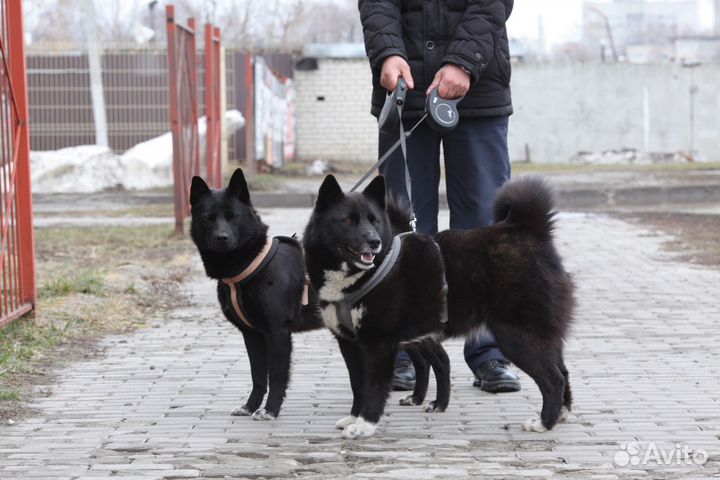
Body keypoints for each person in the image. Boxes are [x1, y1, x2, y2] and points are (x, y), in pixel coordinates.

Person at [359, 0, 521, 394]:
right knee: (401, 229)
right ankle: (401, 349)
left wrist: (464, 62)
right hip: (404, 91)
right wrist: (388, 53)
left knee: (485, 229)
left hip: (478, 89)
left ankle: (490, 351)